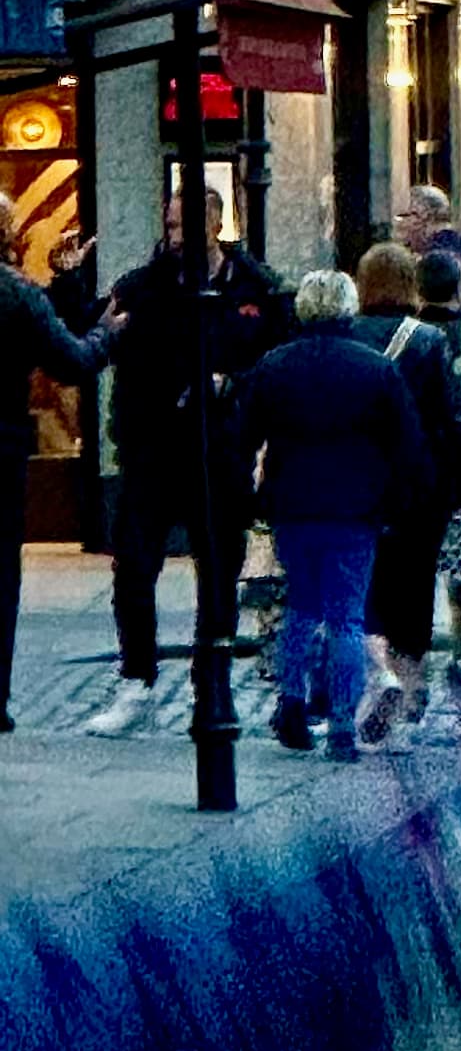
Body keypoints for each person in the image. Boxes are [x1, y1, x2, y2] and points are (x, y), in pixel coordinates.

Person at [84, 229, 291, 738]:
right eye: (171, 226)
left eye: (185, 225)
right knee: (134, 566)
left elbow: (278, 357)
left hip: (219, 452)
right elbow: (93, 334)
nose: (175, 237)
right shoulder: (142, 286)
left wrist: (234, 384)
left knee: (218, 571)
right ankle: (137, 677)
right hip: (151, 449)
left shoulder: (255, 288)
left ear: (212, 227)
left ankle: (212, 685)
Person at [231, 268, 430, 760]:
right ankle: (342, 723)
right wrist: (402, 500)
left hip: (293, 503)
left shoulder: (275, 365)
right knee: (346, 615)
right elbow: (407, 444)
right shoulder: (375, 370)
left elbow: (242, 436)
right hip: (355, 507)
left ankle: (292, 701)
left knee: (301, 606)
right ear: (348, 306)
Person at [350, 239, 461, 728]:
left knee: (365, 586)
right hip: (418, 488)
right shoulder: (426, 340)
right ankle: (412, 683)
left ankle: (380, 673)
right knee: (415, 586)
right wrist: (459, 481)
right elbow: (451, 418)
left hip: (357, 484)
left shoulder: (346, 335)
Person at [0, 221, 108, 731]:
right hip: (0, 449)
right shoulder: (16, 294)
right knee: (0, 573)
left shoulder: (22, 294)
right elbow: (72, 359)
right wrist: (111, 331)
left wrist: (62, 284)